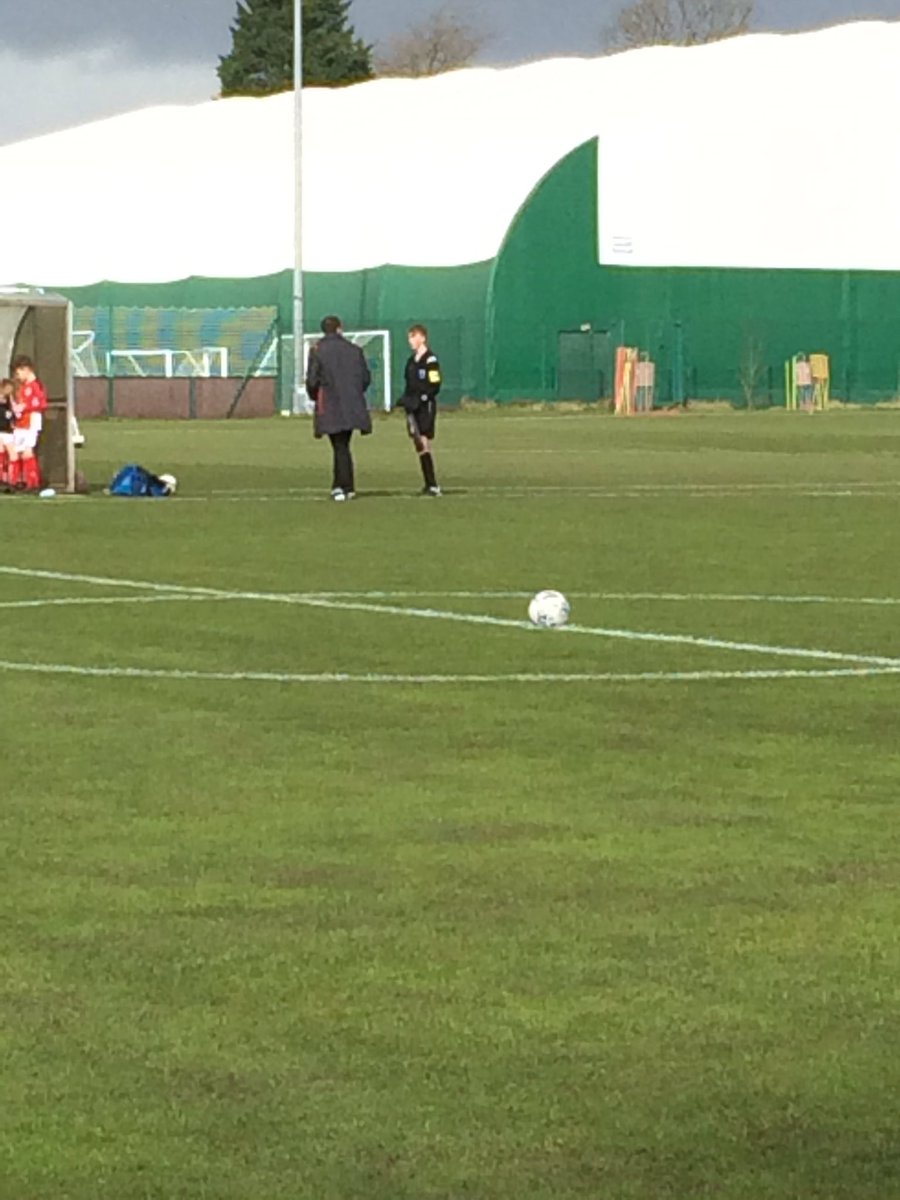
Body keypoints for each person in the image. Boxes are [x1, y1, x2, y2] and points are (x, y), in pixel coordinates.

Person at [305, 316, 372, 501]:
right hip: (352, 404)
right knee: (343, 444)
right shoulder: (355, 350)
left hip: (331, 405)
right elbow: (365, 379)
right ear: (339, 329)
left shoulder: (318, 350)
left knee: (339, 445)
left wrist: (316, 397)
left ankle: (341, 487)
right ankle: (346, 486)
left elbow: (312, 380)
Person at [399, 324, 442, 496]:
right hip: (412, 407)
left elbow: (435, 384)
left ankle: (432, 484)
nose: (410, 341)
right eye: (409, 337)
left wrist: (424, 397)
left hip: (425, 406)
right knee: (418, 443)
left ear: (422, 338)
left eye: (413, 336)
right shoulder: (411, 361)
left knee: (424, 441)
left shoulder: (430, 360)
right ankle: (428, 484)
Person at [10, 355, 47, 491]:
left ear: (26, 370)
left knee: (27, 452)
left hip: (31, 421)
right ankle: (19, 481)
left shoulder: (36, 386)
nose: (17, 375)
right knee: (18, 452)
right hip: (21, 423)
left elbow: (41, 404)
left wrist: (24, 407)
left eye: (19, 372)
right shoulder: (23, 386)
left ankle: (33, 483)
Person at [0, 379, 15, 491]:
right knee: (3, 456)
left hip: (8, 431)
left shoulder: (10, 400)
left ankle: (10, 480)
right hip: (2, 431)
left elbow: (12, 414)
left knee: (11, 456)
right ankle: (4, 480)